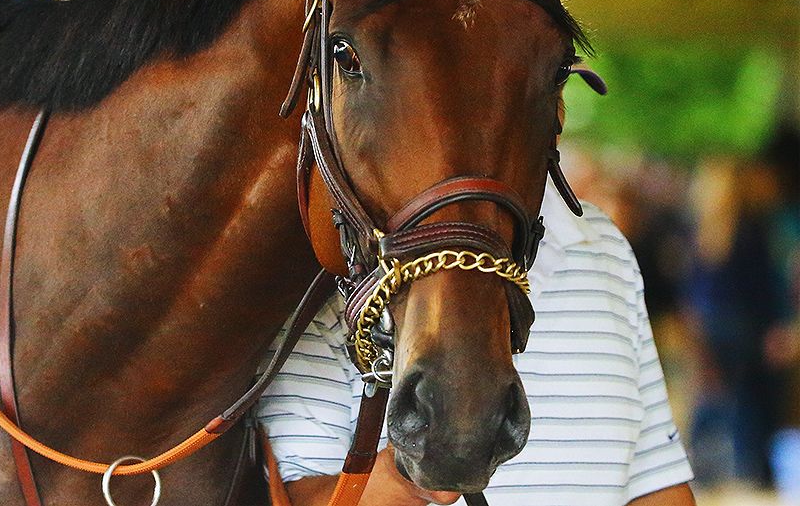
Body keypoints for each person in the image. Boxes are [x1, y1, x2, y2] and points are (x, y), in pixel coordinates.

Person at [257, 184, 696, 505]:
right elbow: (297, 497)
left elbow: (656, 483)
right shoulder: (338, 258)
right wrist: (416, 474)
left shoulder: (601, 244)